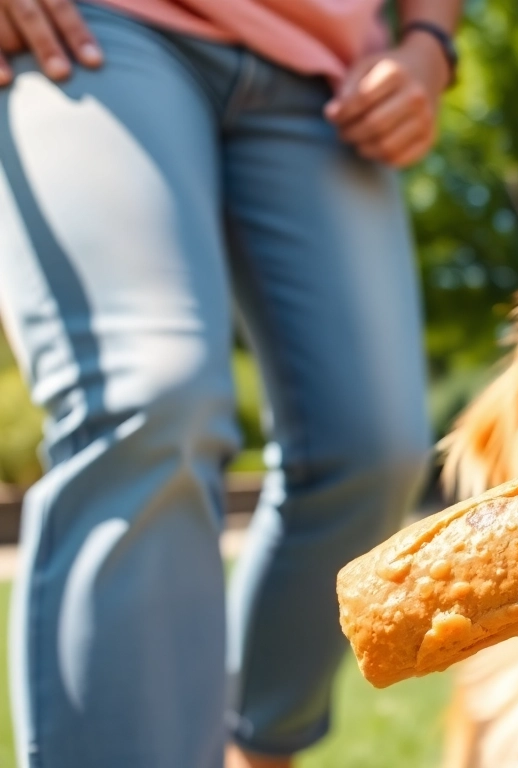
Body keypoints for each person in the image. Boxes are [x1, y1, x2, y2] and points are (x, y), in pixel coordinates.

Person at [0, 0, 459, 765]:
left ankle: (256, 749)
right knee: (149, 398)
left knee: (374, 450)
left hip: (331, 73)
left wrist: (430, 46)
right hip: (92, 27)